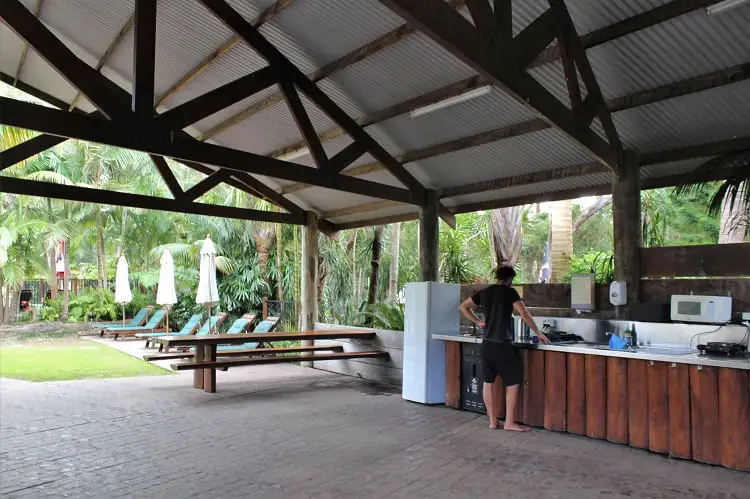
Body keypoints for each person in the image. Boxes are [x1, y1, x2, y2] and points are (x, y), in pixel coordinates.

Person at [459, 265, 550, 431]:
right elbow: (524, 314)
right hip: (503, 344)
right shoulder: (510, 292)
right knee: (513, 382)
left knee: (488, 382)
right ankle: (509, 422)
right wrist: (538, 333)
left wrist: (478, 322)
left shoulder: (484, 292)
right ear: (510, 279)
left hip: (487, 344)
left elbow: (463, 306)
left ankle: (493, 421)